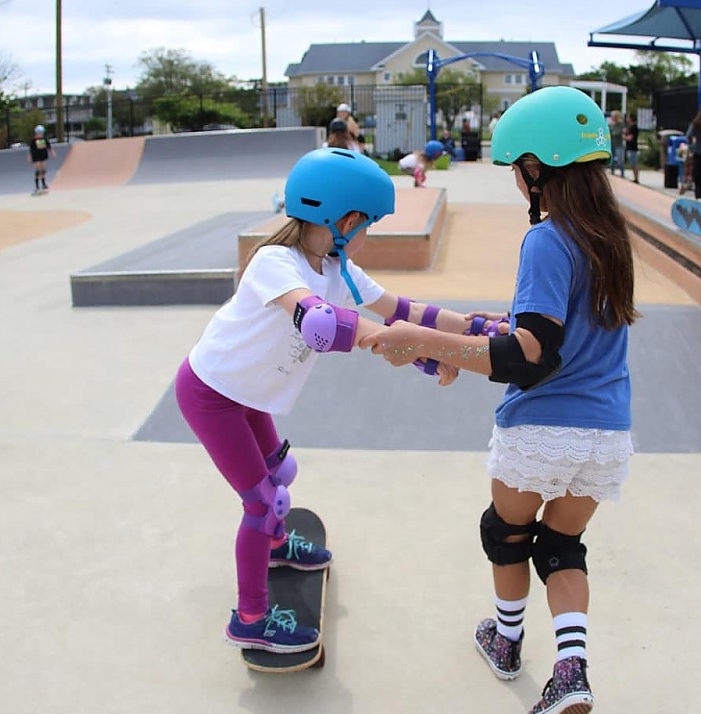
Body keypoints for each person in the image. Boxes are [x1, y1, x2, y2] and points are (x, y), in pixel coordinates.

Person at [360, 86, 637, 714]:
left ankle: (506, 644)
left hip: (541, 430)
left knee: (506, 534)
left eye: (517, 168)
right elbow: (558, 331)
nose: (517, 180)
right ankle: (572, 670)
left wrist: (422, 340)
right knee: (562, 547)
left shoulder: (547, 239)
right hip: (608, 435)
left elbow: (532, 355)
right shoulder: (612, 240)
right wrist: (494, 325)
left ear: (537, 168)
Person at [177, 147, 507, 654]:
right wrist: (414, 348)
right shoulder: (274, 262)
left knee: (280, 477)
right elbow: (319, 324)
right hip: (212, 395)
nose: (368, 233)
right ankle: (250, 619)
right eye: (369, 224)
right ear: (347, 219)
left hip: (250, 396)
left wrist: (470, 328)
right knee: (262, 502)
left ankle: (277, 546)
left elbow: (402, 307)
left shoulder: (337, 267)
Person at [27, 125, 54, 195]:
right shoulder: (33, 140)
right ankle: (37, 186)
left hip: (43, 156)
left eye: (41, 133)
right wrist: (29, 157)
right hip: (36, 157)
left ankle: (44, 184)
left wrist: (52, 152)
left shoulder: (44, 139)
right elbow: (30, 150)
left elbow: (49, 146)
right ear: (36, 133)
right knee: (38, 170)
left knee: (43, 170)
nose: (40, 135)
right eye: (39, 133)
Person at [623, 113, 640, 184]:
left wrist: (623, 136)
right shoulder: (630, 127)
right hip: (630, 148)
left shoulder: (633, 127)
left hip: (632, 148)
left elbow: (630, 138)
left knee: (634, 164)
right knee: (632, 164)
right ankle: (635, 177)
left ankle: (636, 178)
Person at [608, 110, 625, 178]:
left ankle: (622, 172)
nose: (611, 117)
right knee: (612, 159)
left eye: (613, 116)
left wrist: (612, 132)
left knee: (620, 159)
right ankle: (612, 171)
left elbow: (618, 133)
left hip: (618, 144)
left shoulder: (620, 124)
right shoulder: (611, 124)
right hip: (612, 144)